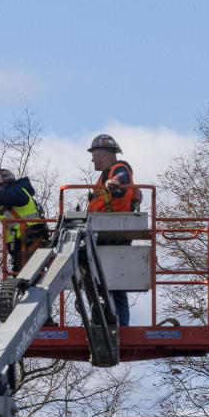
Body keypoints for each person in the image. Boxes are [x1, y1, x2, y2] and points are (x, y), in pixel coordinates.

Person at [86, 134, 141, 326]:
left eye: (94, 153)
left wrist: (115, 183)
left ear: (105, 152)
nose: (92, 158)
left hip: (114, 234)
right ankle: (104, 321)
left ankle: (120, 326)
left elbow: (122, 178)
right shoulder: (104, 176)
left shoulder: (119, 169)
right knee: (103, 284)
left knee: (116, 286)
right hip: (102, 234)